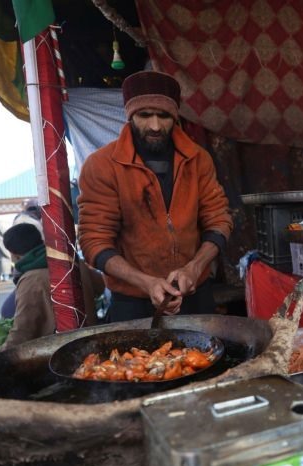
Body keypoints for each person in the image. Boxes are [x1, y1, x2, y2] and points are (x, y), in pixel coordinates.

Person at [77, 70, 232, 322]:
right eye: (145, 115)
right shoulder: (102, 165)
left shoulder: (198, 159)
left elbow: (219, 220)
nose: (155, 126)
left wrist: (194, 268)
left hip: (194, 293)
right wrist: (146, 282)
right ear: (130, 116)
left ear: (175, 117)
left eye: (164, 116)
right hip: (132, 301)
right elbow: (94, 241)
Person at [0, 223, 104, 349]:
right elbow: (100, 286)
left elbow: (23, 331)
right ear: (40, 241)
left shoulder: (31, 280)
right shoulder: (72, 260)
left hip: (60, 349)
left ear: (13, 254)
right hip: (91, 337)